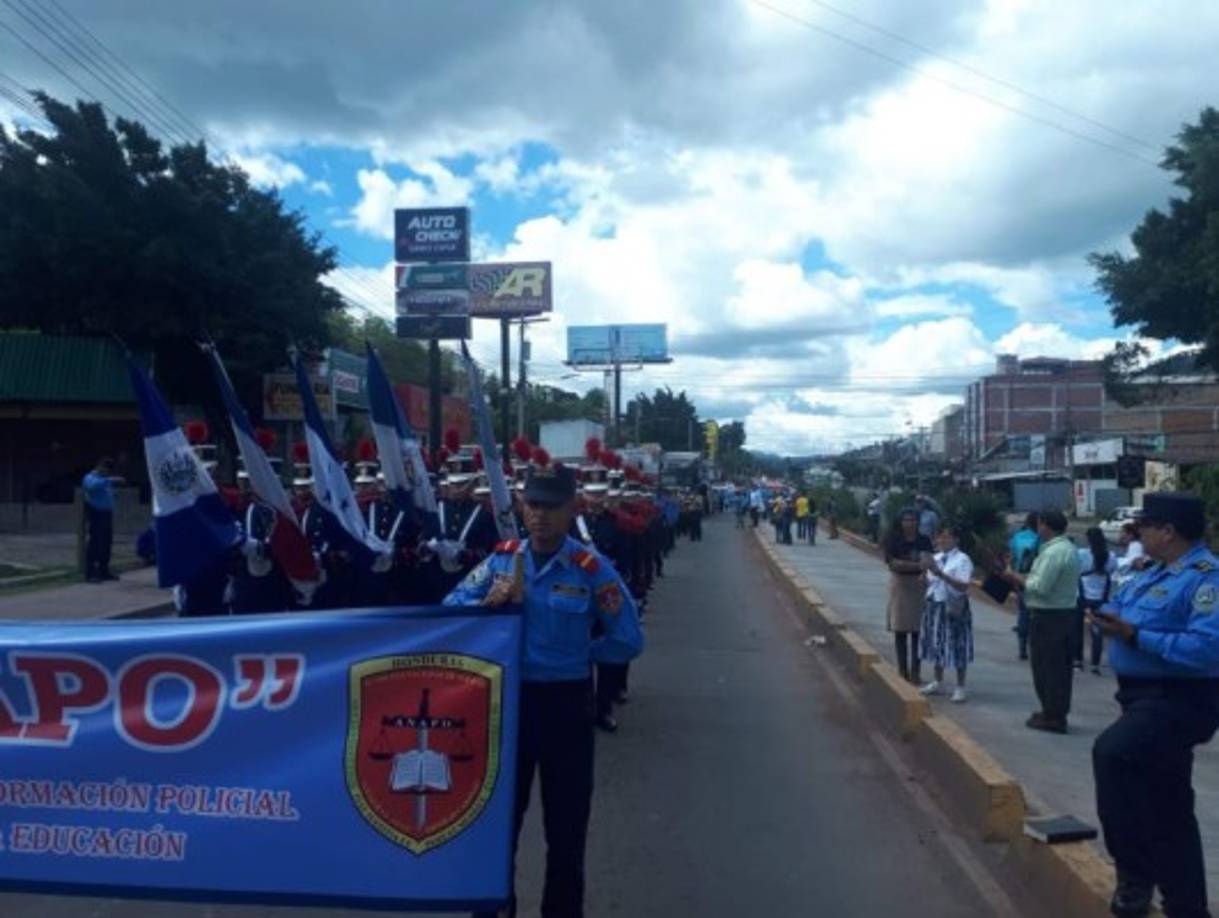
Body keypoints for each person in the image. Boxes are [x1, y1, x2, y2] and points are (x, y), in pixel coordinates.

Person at [445, 462, 644, 918]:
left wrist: (582, 653)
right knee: (498, 827)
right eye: (533, 504)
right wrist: (485, 605)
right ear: (521, 506)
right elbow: (450, 607)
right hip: (509, 709)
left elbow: (629, 638)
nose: (540, 515)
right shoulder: (502, 561)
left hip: (566, 708)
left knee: (567, 831)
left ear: (572, 508)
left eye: (551, 507)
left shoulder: (590, 569)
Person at [1089, 492, 1219, 918]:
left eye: (1145, 525)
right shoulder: (1152, 572)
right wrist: (1107, 619)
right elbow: (1121, 607)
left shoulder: (1206, 579)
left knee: (1113, 755)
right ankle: (1187, 905)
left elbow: (1207, 649)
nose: (1138, 532)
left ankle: (1135, 876)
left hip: (1179, 699)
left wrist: (1136, 636)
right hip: (1139, 699)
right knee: (1169, 802)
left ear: (1168, 532)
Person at [1000, 508, 1081, 734]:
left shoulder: (1054, 553)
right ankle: (1052, 711)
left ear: (1045, 525)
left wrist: (1014, 576)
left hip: (1050, 617)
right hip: (1062, 615)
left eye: (1039, 524)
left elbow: (1040, 587)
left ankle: (1053, 715)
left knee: (1047, 668)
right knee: (1057, 668)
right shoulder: (1067, 549)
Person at [919, 524, 975, 702]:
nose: (943, 540)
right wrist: (924, 573)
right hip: (935, 604)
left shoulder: (962, 560)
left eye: (947, 537)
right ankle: (938, 680)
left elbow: (963, 585)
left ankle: (960, 686)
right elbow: (929, 582)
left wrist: (940, 573)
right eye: (940, 537)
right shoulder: (936, 557)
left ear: (956, 539)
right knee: (937, 643)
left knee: (958, 644)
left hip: (953, 606)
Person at [885, 508, 932, 683]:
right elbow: (893, 564)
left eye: (913, 520)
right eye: (906, 520)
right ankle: (902, 670)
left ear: (918, 522)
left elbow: (928, 562)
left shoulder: (924, 540)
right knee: (900, 631)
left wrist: (909, 565)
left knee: (918, 632)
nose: (910, 523)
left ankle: (915, 672)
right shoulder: (894, 540)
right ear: (901, 522)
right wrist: (917, 565)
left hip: (919, 588)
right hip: (900, 587)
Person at [1077, 526, 1118, 675]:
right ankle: (1095, 664)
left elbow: (1076, 570)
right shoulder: (1111, 556)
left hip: (1082, 595)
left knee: (1077, 630)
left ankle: (1078, 661)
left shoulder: (1082, 554)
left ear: (1088, 539)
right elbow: (1113, 570)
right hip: (1101, 597)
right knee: (1097, 631)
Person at [1008, 513, 1041, 661]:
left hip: (1019, 577)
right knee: (1036, 613)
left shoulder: (1017, 537)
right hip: (1036, 577)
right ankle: (1034, 646)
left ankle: (1022, 647)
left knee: (1023, 612)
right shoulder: (1040, 539)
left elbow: (1012, 557)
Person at [82, 457, 119, 583]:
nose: (108, 473)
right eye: (107, 470)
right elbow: (91, 487)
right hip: (96, 513)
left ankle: (104, 570)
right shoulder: (90, 477)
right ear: (100, 467)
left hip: (107, 513)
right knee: (95, 543)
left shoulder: (105, 480)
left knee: (106, 542)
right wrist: (109, 480)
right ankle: (90, 573)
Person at [1114, 521, 1147, 591]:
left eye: (1122, 532)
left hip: (1130, 582)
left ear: (1131, 535)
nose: (1120, 535)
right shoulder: (1135, 545)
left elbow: (1139, 565)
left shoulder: (1134, 545)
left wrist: (1127, 565)